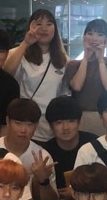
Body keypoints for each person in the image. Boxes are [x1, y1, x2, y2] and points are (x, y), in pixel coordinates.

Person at [0, 98, 60, 200]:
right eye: (18, 123)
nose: (23, 130)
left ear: (36, 125)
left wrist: (43, 181)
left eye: (30, 125)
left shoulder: (42, 156)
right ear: (7, 121)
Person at [4, 9, 70, 142]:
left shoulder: (64, 60)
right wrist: (26, 43)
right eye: (39, 24)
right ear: (30, 27)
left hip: (51, 127)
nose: (44, 28)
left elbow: (64, 95)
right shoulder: (18, 53)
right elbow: (6, 74)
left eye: (49, 24)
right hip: (25, 124)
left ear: (55, 29)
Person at [66, 18, 107, 136]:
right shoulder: (73, 65)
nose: (94, 38)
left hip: (106, 117)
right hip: (79, 117)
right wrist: (86, 58)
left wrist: (101, 60)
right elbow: (77, 86)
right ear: (84, 37)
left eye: (100, 34)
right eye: (90, 33)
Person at [38, 96, 96, 190]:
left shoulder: (94, 144)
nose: (65, 127)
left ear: (79, 122)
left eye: (71, 121)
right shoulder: (45, 152)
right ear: (51, 126)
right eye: (59, 122)